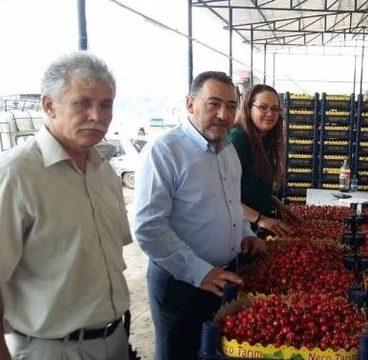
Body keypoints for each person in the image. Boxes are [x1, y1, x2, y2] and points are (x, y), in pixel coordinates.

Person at [0, 52, 131, 359]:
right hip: (51, 349)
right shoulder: (17, 175)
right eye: (82, 103)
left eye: (106, 105)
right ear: (49, 106)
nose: (97, 116)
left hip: (115, 339)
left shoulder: (103, 171)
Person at [133, 71, 266, 360]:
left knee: (212, 350)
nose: (223, 114)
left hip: (223, 275)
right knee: (179, 351)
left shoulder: (228, 151)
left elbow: (231, 204)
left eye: (231, 106)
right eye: (213, 104)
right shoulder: (165, 151)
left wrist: (246, 234)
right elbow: (148, 227)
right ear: (190, 104)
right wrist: (199, 272)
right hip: (181, 282)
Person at [228, 84, 299, 237]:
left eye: (275, 109)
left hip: (251, 227)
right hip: (236, 229)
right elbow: (223, 197)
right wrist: (260, 219)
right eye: (263, 107)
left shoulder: (263, 140)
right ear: (248, 108)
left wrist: (272, 199)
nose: (270, 113)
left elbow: (249, 183)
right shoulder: (238, 140)